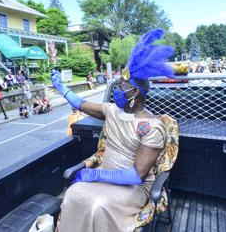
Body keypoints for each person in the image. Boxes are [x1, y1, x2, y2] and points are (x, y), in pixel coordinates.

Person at [52, 29, 175, 232]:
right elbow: (81, 104)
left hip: (132, 187)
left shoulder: (153, 127)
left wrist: (94, 176)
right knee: (74, 195)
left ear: (134, 92)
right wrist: (62, 88)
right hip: (105, 173)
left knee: (98, 206)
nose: (116, 90)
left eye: (121, 87)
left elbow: (137, 175)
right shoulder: (112, 110)